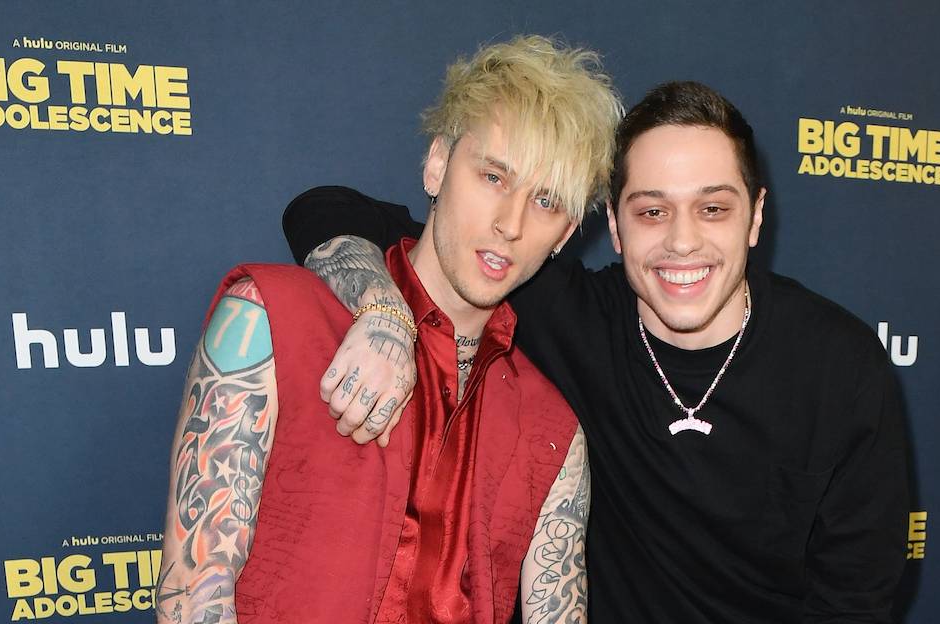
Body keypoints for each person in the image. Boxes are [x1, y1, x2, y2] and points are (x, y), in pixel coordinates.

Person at [284, 81, 911, 623]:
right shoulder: (561, 309)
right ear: (613, 225)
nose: (682, 241)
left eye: (713, 209)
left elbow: (855, 603)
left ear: (754, 218)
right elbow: (329, 210)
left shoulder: (841, 367)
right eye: (652, 211)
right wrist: (383, 310)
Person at [157, 35, 622, 624]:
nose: (511, 223)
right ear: (437, 165)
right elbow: (195, 594)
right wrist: (384, 312)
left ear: (565, 234)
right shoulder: (269, 318)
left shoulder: (553, 431)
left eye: (546, 201)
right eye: (493, 177)